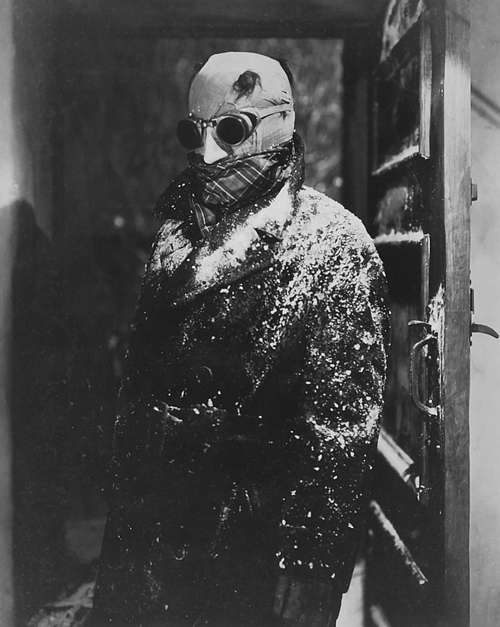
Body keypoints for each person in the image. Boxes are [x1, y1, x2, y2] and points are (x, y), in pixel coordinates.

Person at [89, 51, 390, 627]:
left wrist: (309, 570)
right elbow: (143, 390)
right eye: (194, 132)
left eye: (230, 130)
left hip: (248, 555)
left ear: (280, 123)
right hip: (151, 545)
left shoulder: (332, 244)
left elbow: (341, 432)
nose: (206, 154)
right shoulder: (177, 231)